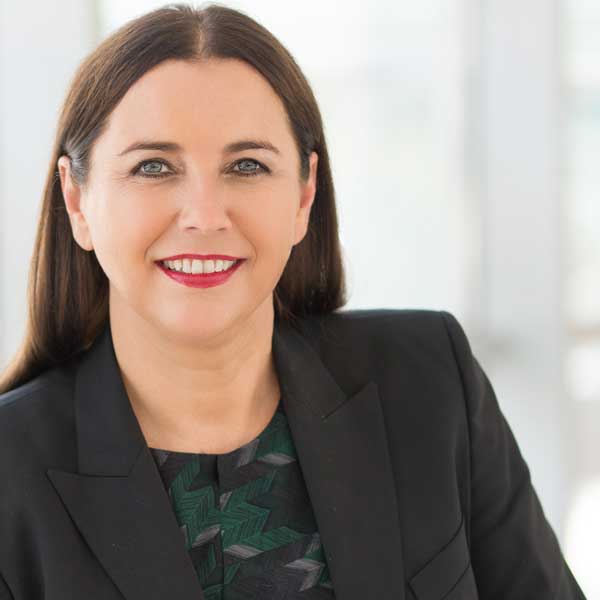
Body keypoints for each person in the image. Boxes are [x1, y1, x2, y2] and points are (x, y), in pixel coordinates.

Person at [0, 3, 586, 599]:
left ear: (304, 195)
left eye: (246, 165)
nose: (205, 215)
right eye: (153, 166)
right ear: (76, 200)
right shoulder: (9, 472)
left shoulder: (431, 384)